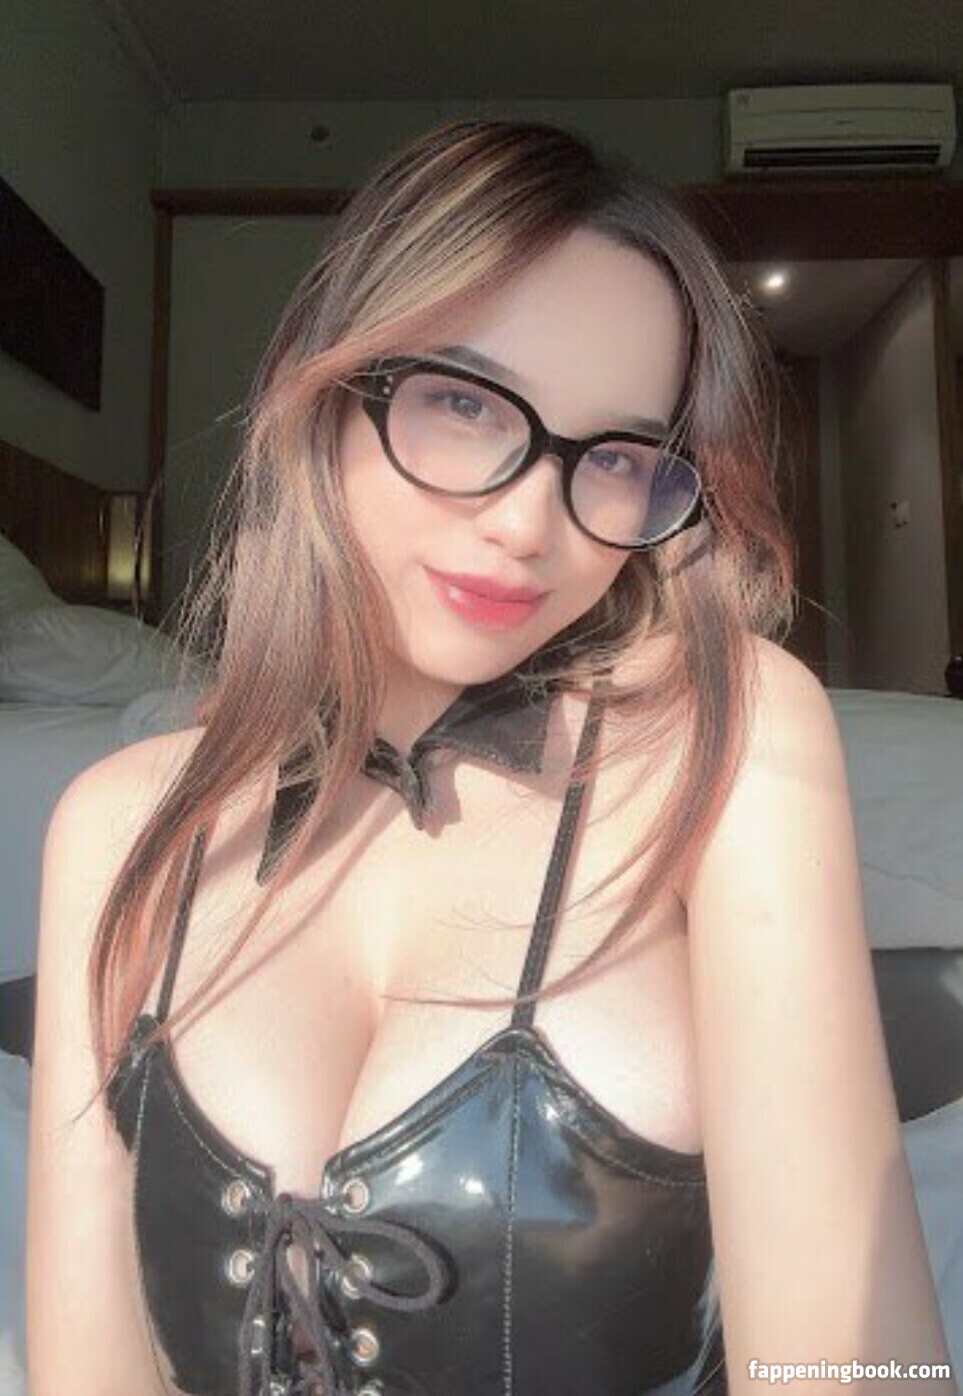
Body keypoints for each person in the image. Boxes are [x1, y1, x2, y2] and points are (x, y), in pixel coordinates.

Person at [26, 121, 955, 1396]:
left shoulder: (728, 731)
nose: (528, 523)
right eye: (464, 402)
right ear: (327, 393)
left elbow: (848, 1360)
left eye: (617, 456)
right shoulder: (117, 826)